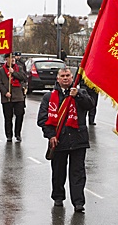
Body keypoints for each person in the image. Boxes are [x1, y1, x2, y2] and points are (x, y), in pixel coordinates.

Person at [37, 67, 93, 212]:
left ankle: (78, 202)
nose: (66, 78)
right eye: (62, 76)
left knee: (77, 173)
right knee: (58, 172)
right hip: (59, 140)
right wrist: (51, 135)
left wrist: (78, 96)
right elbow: (43, 119)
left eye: (68, 75)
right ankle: (58, 197)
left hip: (78, 140)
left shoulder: (81, 93)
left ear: (72, 77)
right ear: (58, 79)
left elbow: (90, 105)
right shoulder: (49, 97)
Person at [0, 53, 27, 142]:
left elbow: (23, 78)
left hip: (18, 96)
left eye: (13, 58)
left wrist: (14, 73)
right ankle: (9, 135)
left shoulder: (19, 68)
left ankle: (18, 133)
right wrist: (5, 92)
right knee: (8, 117)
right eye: (10, 58)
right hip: (7, 97)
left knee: (20, 114)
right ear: (6, 59)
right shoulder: (1, 70)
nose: (12, 59)